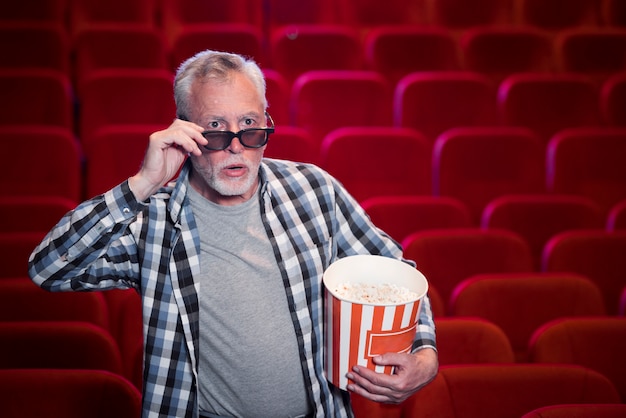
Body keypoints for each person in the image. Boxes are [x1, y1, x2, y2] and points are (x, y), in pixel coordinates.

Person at [28, 50, 438, 418]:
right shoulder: (150, 219)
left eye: (249, 125)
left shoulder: (314, 191)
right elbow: (48, 268)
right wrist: (141, 183)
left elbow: (394, 271)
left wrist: (425, 356)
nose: (237, 146)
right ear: (186, 132)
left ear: (266, 122)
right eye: (216, 129)